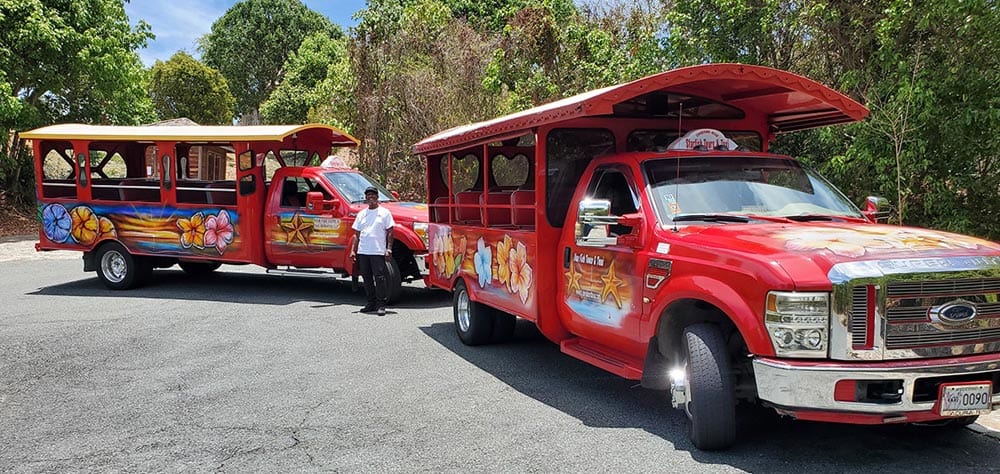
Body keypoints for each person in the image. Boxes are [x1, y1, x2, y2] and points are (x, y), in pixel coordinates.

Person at [350, 186, 395, 315]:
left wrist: (389, 249)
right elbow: (356, 234)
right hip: (363, 251)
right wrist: (353, 250)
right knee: (366, 278)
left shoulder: (385, 213)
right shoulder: (361, 214)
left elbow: (390, 232)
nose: (370, 197)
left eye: (373, 195)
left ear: (377, 197)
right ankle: (371, 303)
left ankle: (381, 304)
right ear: (366, 198)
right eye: (368, 195)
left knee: (379, 278)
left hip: (377, 251)